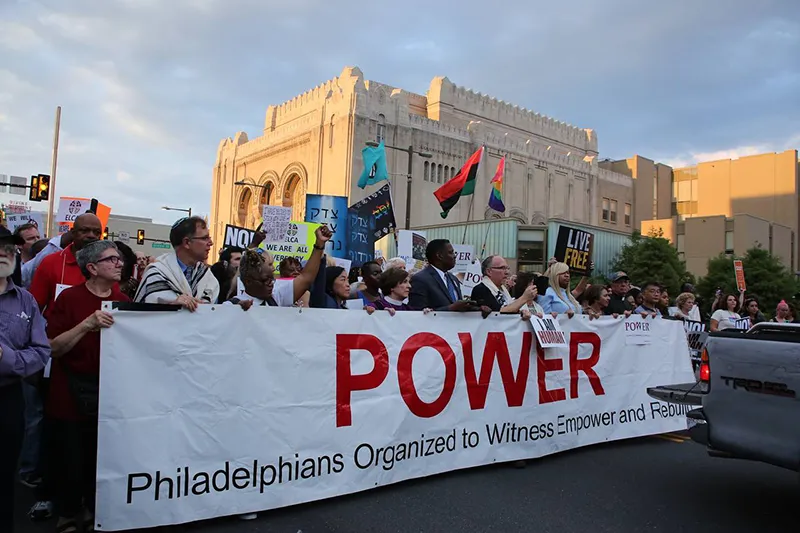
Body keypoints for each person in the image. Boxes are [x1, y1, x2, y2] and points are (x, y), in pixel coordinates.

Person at [45, 240, 129, 533]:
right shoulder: (69, 299)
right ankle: (68, 514)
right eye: (111, 260)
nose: (119, 263)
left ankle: (97, 512)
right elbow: (54, 347)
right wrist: (87, 325)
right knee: (71, 458)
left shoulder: (123, 299)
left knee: (100, 458)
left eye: (119, 259)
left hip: (109, 394)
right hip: (69, 392)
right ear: (92, 268)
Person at [0, 227, 50, 533]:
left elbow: (41, 351)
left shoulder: (26, 301)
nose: (4, 253)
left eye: (9, 248)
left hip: (8, 397)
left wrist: (7, 359)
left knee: (4, 472)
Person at [228, 226, 331, 309]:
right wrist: (237, 313)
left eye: (272, 279)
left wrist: (319, 244)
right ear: (248, 281)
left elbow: (306, 278)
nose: (271, 284)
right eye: (265, 280)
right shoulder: (230, 306)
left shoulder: (277, 297)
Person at [134, 216, 219, 310]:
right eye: (205, 238)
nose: (211, 243)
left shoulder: (207, 276)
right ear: (187, 243)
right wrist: (172, 305)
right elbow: (143, 315)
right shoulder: (157, 273)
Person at [29, 213, 103, 318]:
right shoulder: (51, 263)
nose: (91, 235)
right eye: (84, 230)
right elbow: (34, 308)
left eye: (96, 232)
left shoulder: (106, 265)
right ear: (73, 233)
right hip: (56, 333)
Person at [408, 239, 476, 312]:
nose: (455, 256)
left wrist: (476, 309)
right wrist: (450, 308)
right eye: (451, 252)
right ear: (439, 256)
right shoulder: (420, 279)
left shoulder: (453, 279)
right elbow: (416, 313)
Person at [471, 255, 536, 314]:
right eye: (502, 268)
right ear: (489, 271)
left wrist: (522, 314)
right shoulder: (481, 290)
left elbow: (509, 309)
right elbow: (498, 313)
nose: (507, 272)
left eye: (507, 268)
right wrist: (524, 298)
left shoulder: (502, 290)